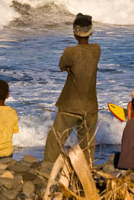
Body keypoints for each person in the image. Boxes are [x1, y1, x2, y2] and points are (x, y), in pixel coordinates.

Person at [44, 13, 100, 165]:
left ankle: (48, 165)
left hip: (70, 104)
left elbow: (62, 65)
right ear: (91, 32)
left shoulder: (70, 51)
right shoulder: (96, 50)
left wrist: (70, 67)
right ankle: (87, 167)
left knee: (57, 137)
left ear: (74, 33)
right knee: (87, 141)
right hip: (90, 105)